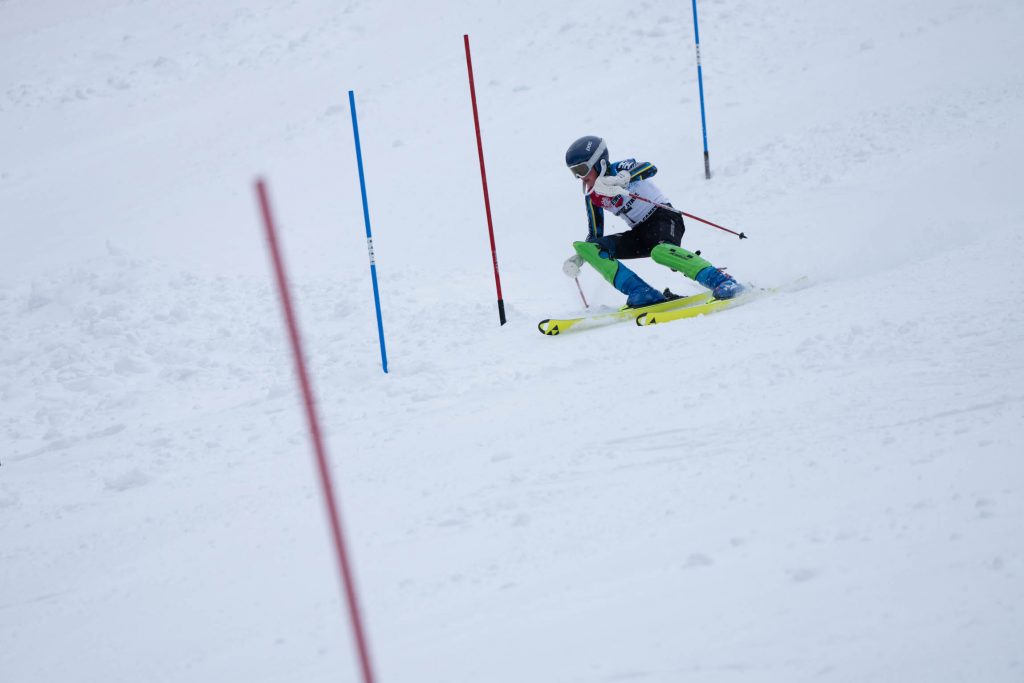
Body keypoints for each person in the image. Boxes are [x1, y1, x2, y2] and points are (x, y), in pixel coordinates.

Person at [562, 135, 743, 307]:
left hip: (664, 217)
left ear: (599, 163)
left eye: (582, 170)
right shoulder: (592, 196)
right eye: (574, 172)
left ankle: (721, 281)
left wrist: (623, 179)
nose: (580, 177)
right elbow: (595, 234)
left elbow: (650, 168)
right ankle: (642, 292)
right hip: (639, 233)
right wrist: (581, 258)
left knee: (660, 252)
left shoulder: (620, 168)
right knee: (589, 247)